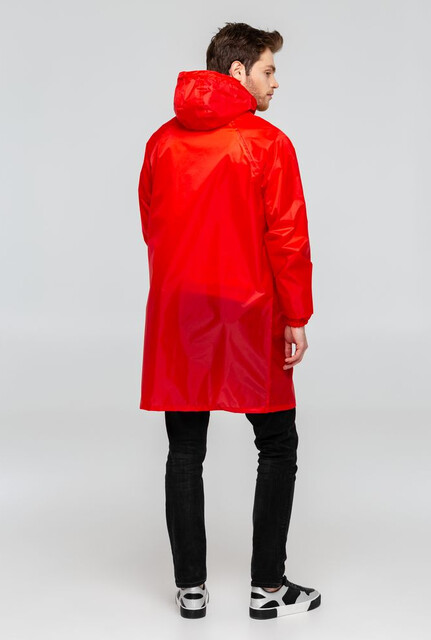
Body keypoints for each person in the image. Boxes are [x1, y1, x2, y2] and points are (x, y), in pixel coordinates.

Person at [137, 22, 321, 620]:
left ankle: (190, 590)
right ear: (238, 71)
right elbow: (287, 237)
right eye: (269, 70)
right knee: (278, 443)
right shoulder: (268, 143)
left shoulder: (161, 143)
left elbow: (152, 224)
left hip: (181, 311)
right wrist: (296, 314)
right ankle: (267, 588)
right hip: (250, 311)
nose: (276, 83)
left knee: (185, 448)